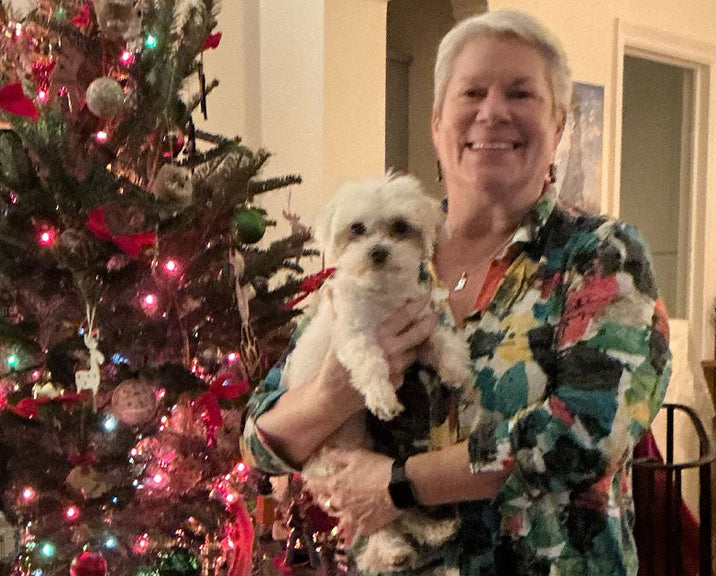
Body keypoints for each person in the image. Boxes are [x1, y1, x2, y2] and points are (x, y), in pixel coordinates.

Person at [242, 10, 671, 576]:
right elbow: (260, 437)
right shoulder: (378, 258)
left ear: (560, 124)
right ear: (437, 121)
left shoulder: (601, 256)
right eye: (472, 92)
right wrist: (332, 397)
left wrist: (397, 485)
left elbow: (585, 435)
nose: (492, 113)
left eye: (521, 93)